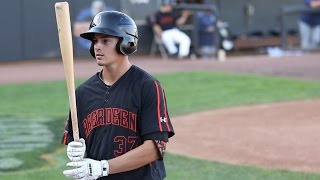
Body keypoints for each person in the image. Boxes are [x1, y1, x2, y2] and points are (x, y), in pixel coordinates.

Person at [61, 10, 175, 180]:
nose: (98, 46)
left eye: (106, 40)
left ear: (127, 42)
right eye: (95, 41)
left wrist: (104, 167)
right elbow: (74, 139)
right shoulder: (82, 93)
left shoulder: (147, 86)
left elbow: (156, 148)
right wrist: (75, 148)